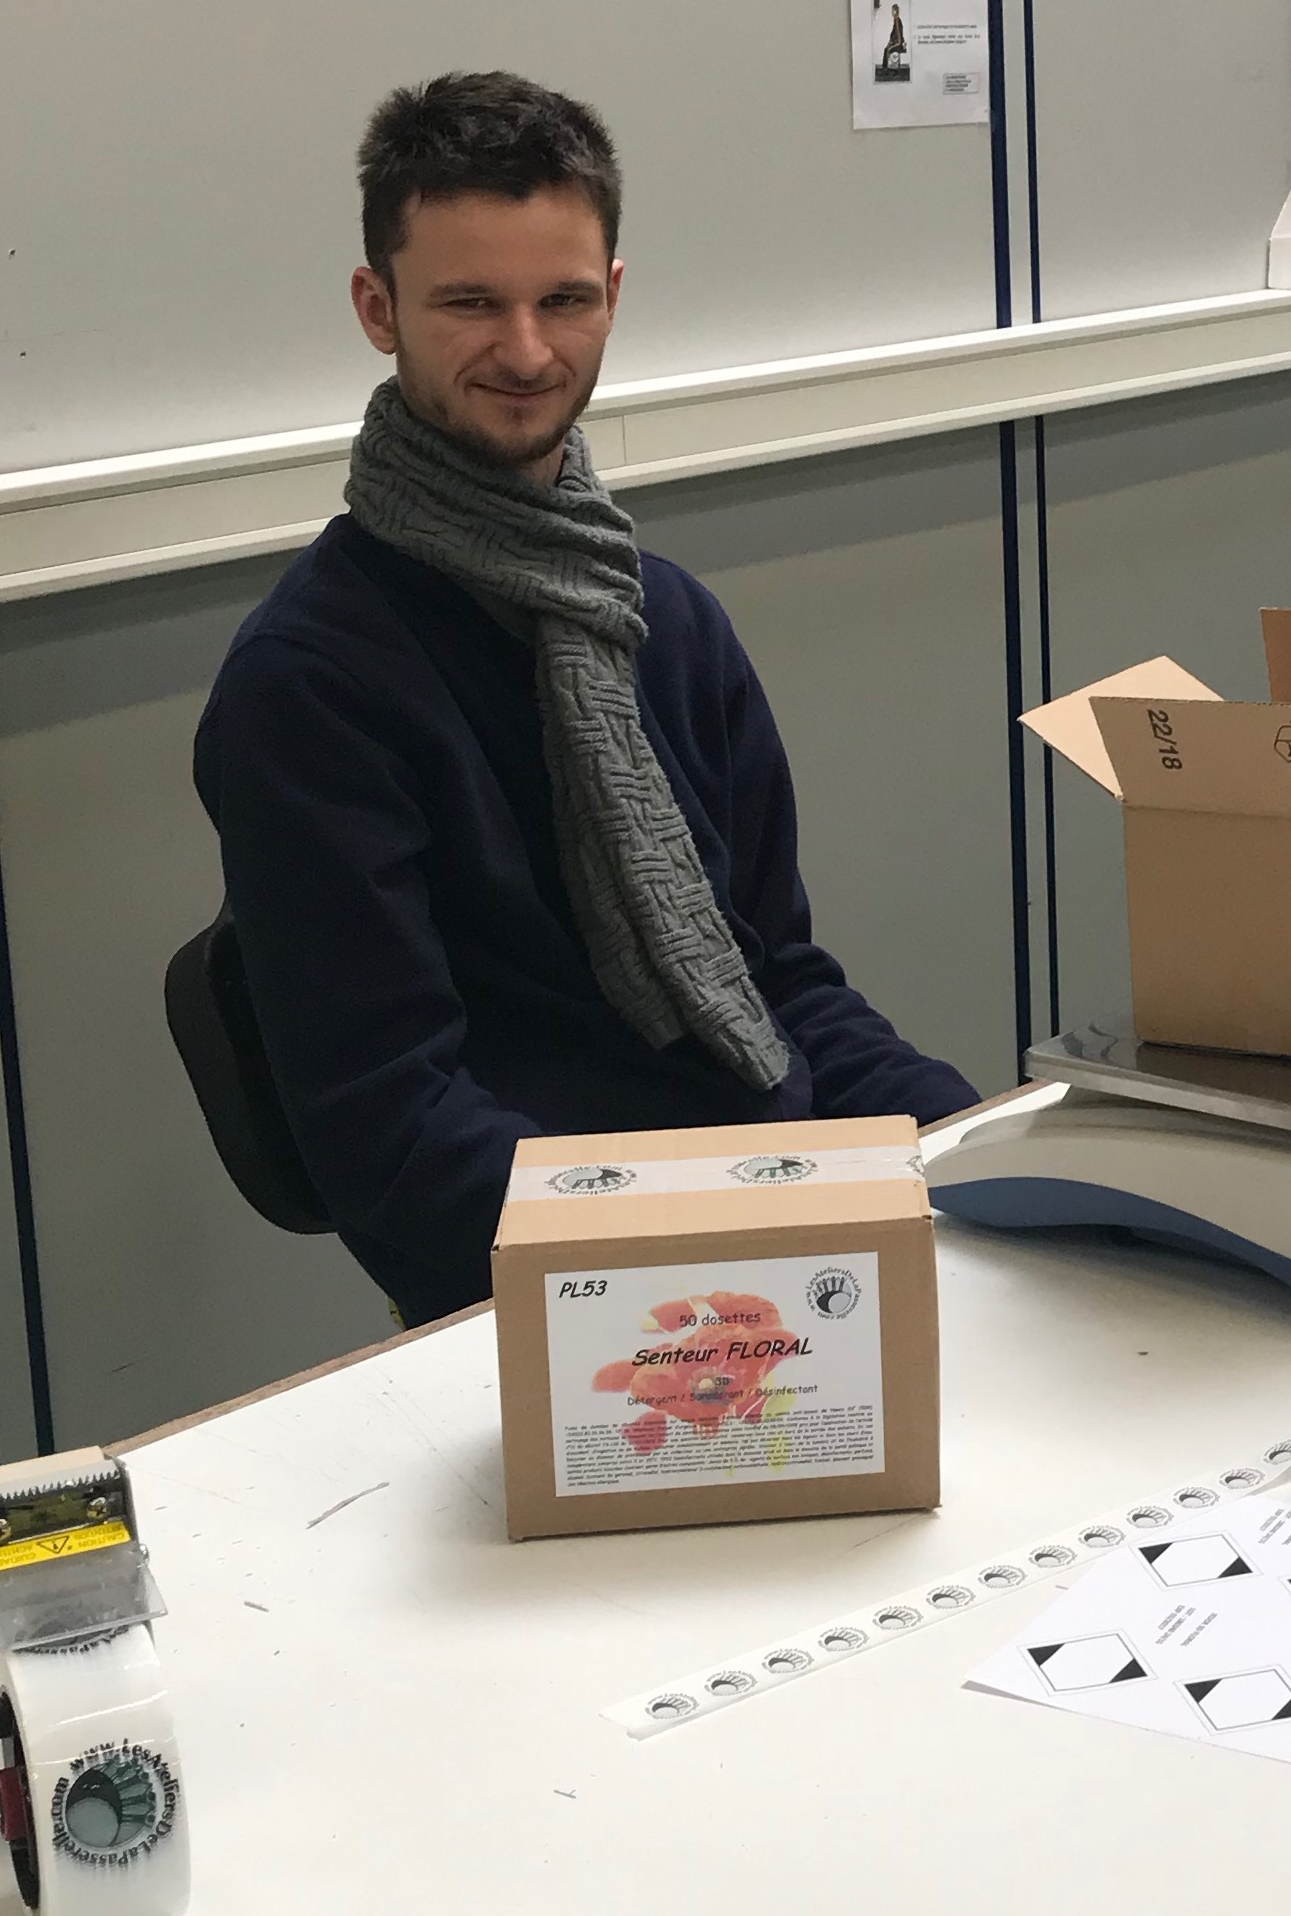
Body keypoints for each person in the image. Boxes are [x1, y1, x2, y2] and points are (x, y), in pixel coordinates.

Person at [195, 72, 977, 1324]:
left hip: (768, 1222)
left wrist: (975, 1155)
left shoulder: (669, 621)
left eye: (563, 300)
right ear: (377, 309)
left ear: (612, 294)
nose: (525, 351)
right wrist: (723, 1265)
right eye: (470, 303)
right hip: (575, 1295)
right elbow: (393, 1137)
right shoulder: (310, 684)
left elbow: (780, 985)